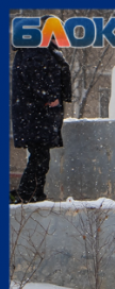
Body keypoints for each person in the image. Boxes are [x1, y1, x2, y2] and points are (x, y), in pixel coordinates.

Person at [11, 16, 72, 204]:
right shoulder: (37, 51)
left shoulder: (41, 51)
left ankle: (32, 193)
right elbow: (37, 79)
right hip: (36, 116)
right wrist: (50, 98)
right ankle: (27, 194)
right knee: (39, 158)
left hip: (36, 116)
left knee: (40, 157)